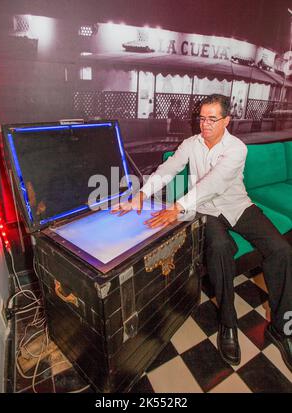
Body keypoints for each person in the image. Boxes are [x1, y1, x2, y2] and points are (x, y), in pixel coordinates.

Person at [111, 94, 292, 371]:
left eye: (212, 119)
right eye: (202, 118)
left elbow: (216, 182)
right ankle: (228, 323)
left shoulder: (237, 148)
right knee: (219, 248)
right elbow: (169, 168)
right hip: (205, 208)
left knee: (281, 250)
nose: (205, 125)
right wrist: (141, 195)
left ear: (226, 120)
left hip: (237, 204)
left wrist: (177, 206)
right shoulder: (190, 144)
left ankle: (281, 327)